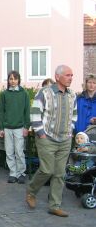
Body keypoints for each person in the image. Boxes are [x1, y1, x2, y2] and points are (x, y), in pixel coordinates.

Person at [26, 65, 77, 217]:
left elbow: (74, 115)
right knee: (47, 170)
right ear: (57, 77)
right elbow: (35, 113)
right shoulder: (44, 92)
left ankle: (54, 205)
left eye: (72, 75)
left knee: (60, 173)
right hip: (47, 138)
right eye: (68, 75)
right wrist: (40, 133)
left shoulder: (72, 95)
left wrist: (70, 131)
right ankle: (31, 191)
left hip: (65, 139)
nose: (70, 78)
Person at [0, 71, 30, 184]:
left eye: (15, 79)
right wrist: (1, 128)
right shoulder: (4, 94)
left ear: (18, 80)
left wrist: (27, 126)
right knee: (9, 151)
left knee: (19, 152)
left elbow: (27, 111)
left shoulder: (24, 94)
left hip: (19, 127)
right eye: (10, 79)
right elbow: (1, 112)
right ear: (8, 80)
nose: (13, 81)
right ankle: (13, 173)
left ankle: (21, 173)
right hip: (7, 128)